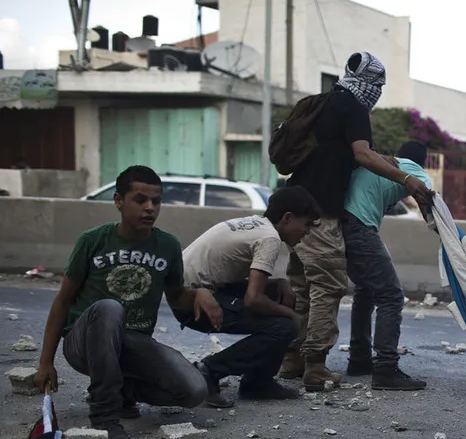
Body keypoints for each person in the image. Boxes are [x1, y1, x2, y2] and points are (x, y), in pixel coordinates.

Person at [34, 165, 218, 439]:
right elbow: (63, 301)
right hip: (85, 342)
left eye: (156, 202)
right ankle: (105, 415)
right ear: (118, 201)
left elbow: (177, 297)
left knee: (194, 390)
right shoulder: (93, 241)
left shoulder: (167, 246)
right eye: (140, 200)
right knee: (109, 308)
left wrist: (201, 293)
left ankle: (123, 391)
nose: (150, 208)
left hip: (133, 343)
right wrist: (46, 362)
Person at [283, 51, 434, 391]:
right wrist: (406, 180)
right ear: (368, 83)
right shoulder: (353, 107)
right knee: (328, 289)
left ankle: (291, 360)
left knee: (303, 291)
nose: (377, 93)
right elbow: (360, 154)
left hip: (293, 208)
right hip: (320, 213)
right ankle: (318, 367)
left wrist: (385, 159)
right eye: (377, 85)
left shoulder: (323, 103)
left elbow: (342, 157)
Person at [174, 186, 322, 405]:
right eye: (306, 224)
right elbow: (253, 299)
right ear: (287, 218)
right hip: (192, 301)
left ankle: (258, 382)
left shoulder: (256, 224)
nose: (307, 232)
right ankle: (209, 370)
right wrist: (293, 317)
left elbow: (244, 284)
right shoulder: (270, 239)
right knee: (284, 326)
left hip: (188, 291)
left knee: (278, 302)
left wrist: (278, 283)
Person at [341, 141, 433, 390]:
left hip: (339, 222)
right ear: (422, 162)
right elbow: (433, 215)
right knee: (391, 295)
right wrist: (463, 245)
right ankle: (385, 368)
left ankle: (359, 359)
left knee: (365, 289)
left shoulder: (375, 161)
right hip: (360, 225)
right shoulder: (417, 173)